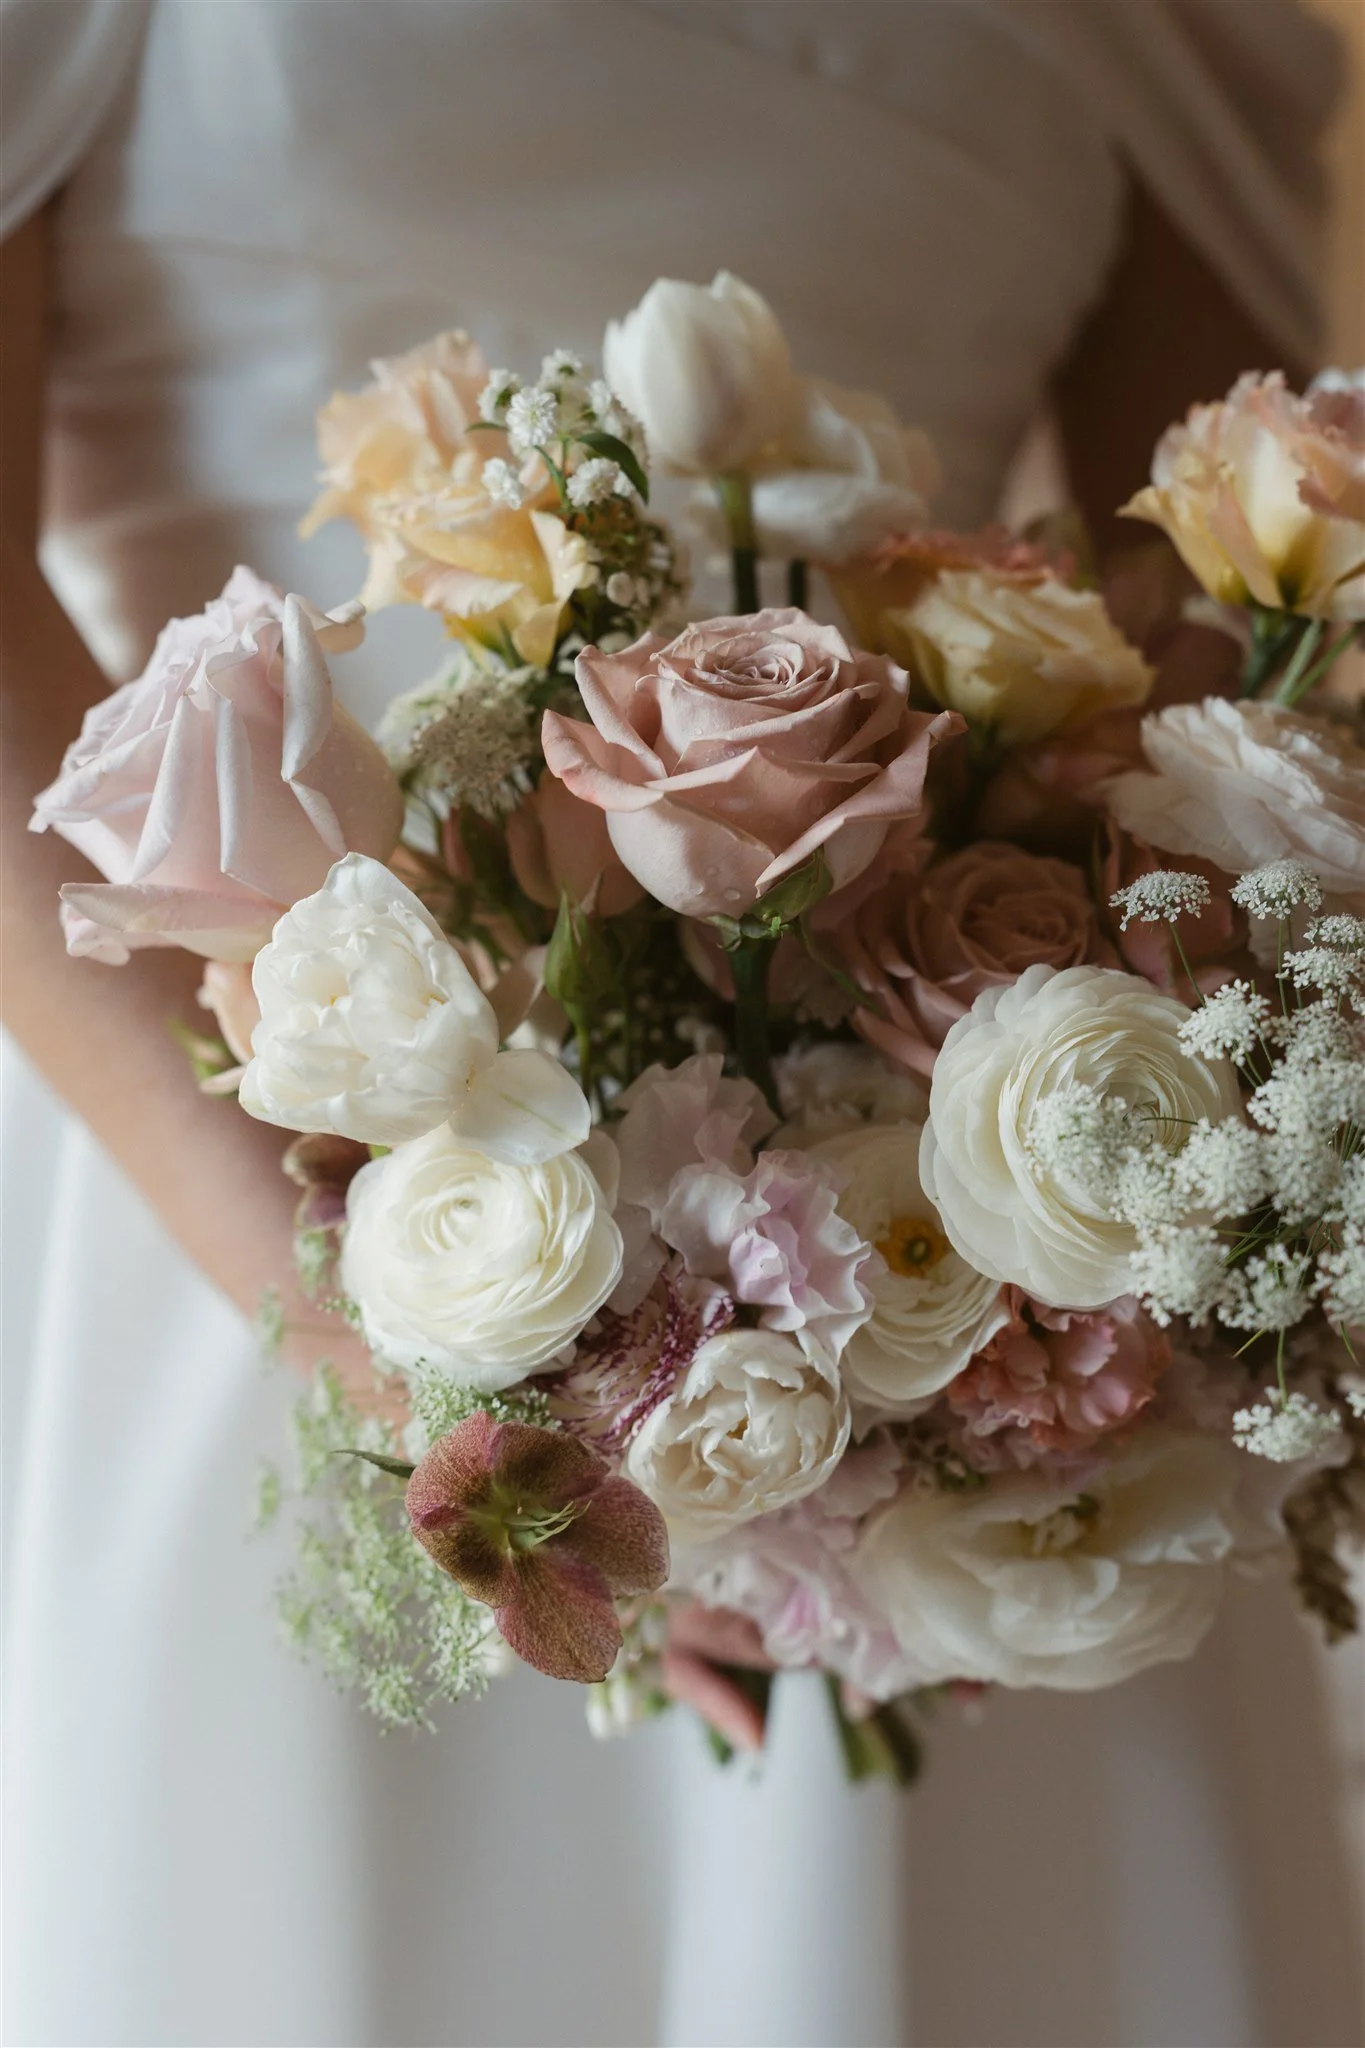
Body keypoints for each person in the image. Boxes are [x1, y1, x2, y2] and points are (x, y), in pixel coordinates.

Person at [3, 5, 1361, 2043]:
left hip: (988, 1240)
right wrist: (385, 1357)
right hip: (243, 1160)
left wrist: (1059, 1301)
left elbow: (1196, 644)